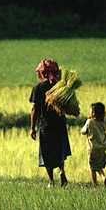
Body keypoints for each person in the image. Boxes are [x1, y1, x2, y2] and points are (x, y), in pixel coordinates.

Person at [29, 58, 71, 187]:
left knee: (47, 152)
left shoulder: (38, 88)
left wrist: (32, 128)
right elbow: (69, 105)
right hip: (60, 124)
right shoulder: (62, 87)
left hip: (45, 125)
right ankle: (62, 171)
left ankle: (51, 181)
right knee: (60, 150)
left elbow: (35, 109)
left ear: (42, 73)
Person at [80, 102, 106, 187]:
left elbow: (83, 131)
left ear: (93, 113)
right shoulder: (103, 122)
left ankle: (95, 185)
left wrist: (86, 122)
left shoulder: (89, 122)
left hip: (92, 149)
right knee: (99, 165)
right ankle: (103, 177)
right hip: (102, 147)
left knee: (92, 168)